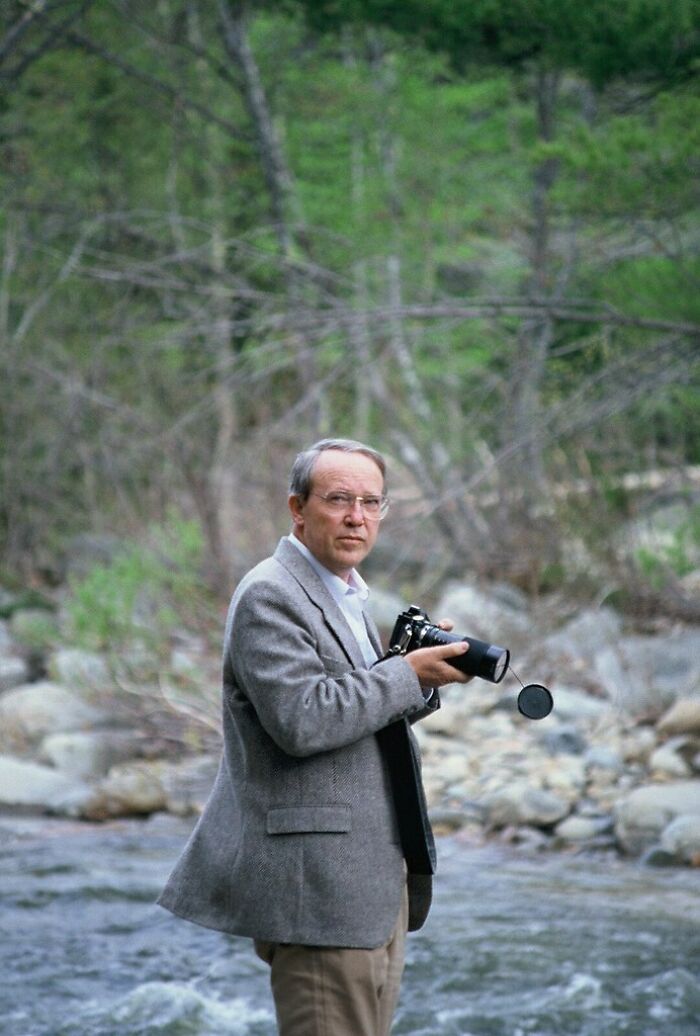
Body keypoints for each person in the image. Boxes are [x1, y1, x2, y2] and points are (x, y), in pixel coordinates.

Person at [158, 437, 471, 1036]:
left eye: (371, 502)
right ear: (297, 509)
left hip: (371, 886)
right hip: (318, 897)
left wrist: (421, 682)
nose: (358, 516)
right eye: (339, 499)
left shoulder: (343, 591)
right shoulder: (270, 594)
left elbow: (357, 715)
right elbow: (303, 720)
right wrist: (406, 673)